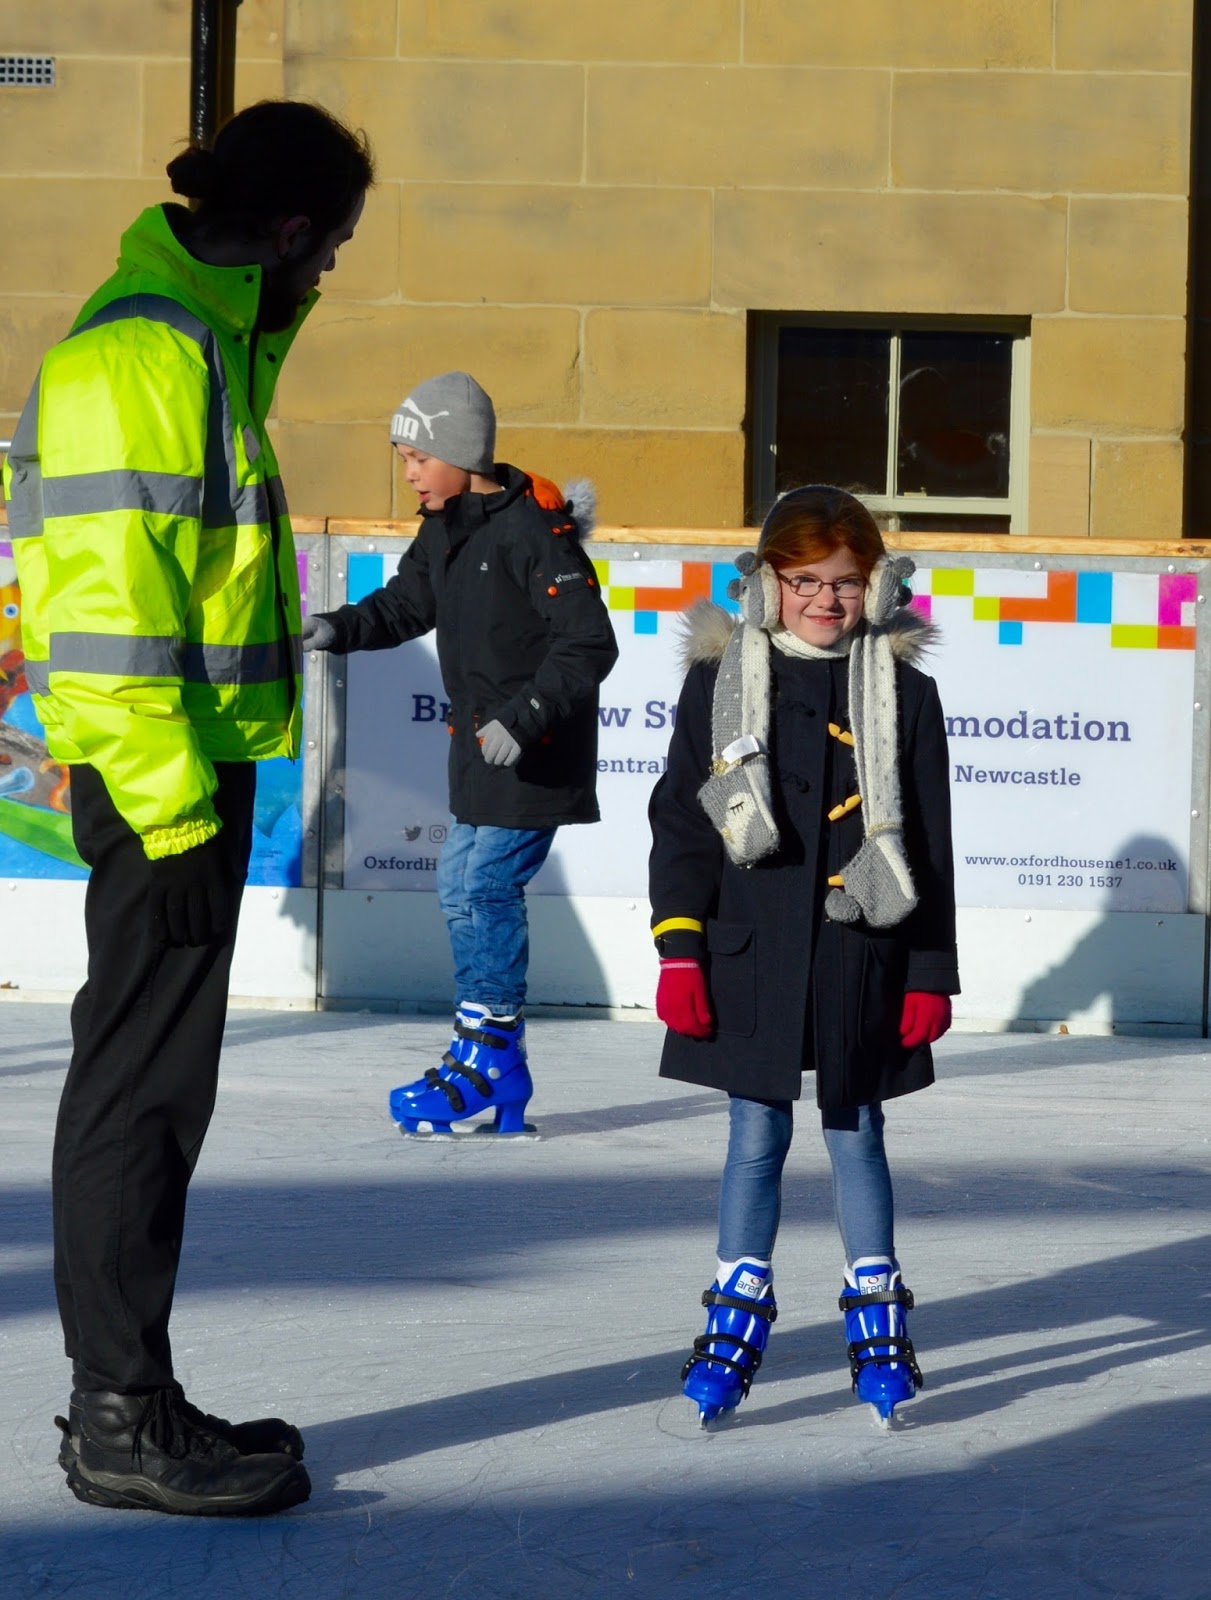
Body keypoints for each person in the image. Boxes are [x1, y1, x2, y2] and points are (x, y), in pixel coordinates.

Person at [3, 100, 374, 1515]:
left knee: (155, 1094)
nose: (327, 277)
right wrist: (169, 819)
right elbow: (97, 626)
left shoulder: (190, 343)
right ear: (285, 233)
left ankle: (132, 1396)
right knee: (136, 1101)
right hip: (153, 787)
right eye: (328, 250)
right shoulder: (142, 353)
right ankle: (117, 1419)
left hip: (175, 775)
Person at [647, 485, 959, 1428]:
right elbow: (681, 826)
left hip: (861, 951)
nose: (825, 600)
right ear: (765, 584)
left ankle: (877, 1319)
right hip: (752, 952)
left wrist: (927, 971)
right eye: (804, 581)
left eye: (845, 582)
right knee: (756, 1138)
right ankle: (736, 1316)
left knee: (856, 1129)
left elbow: (932, 843)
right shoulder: (720, 683)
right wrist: (679, 949)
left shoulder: (903, 692)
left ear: (878, 586)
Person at [304, 371, 618, 1133]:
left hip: (532, 751)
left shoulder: (531, 533)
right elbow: (409, 602)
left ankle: (491, 1055)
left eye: (416, 457)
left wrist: (527, 714)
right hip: (480, 750)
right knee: (457, 884)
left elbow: (588, 641)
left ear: (458, 451)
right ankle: (484, 1053)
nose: (408, 473)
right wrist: (336, 629)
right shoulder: (446, 525)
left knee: (482, 887)